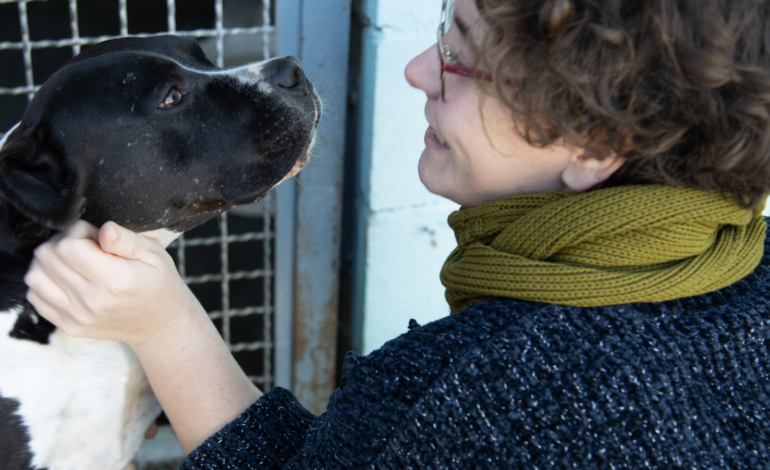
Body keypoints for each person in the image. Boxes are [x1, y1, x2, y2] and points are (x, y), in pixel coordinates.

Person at [25, 0, 770, 467]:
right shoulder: (750, 290)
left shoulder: (476, 388)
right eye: (442, 30)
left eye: (460, 61)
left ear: (598, 145)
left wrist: (165, 323)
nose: (418, 71)